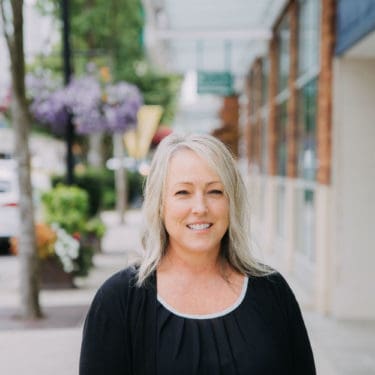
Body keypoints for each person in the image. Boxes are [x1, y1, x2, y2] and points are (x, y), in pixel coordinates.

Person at [79, 133, 316, 375]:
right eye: (183, 192)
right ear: (160, 204)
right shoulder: (119, 300)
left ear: (231, 201)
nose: (200, 208)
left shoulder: (272, 292)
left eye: (215, 192)